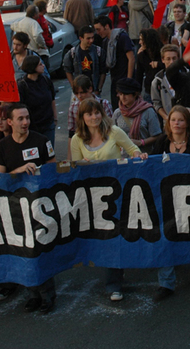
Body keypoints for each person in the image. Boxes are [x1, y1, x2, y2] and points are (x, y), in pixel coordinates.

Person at [70, 98, 146, 302]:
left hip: (118, 193)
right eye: (89, 114)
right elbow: (74, 167)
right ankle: (118, 271)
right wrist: (80, 164)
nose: (94, 117)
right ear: (82, 118)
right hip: (93, 198)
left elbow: (132, 150)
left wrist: (139, 155)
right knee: (104, 237)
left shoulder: (114, 132)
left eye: (97, 113)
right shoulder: (76, 139)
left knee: (115, 236)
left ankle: (114, 284)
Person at [0, 103, 57, 312]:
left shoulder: (41, 141)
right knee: (22, 251)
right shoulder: (2, 146)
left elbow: (53, 170)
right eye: (20, 119)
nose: (25, 122)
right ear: (10, 122)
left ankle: (48, 296)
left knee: (40, 252)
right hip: (15, 207)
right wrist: (19, 171)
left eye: (27, 117)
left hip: (39, 205)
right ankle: (32, 294)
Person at [152, 106, 190, 300]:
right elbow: (151, 166)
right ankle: (166, 284)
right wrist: (144, 157)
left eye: (180, 120)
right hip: (166, 198)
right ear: (168, 123)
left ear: (187, 123)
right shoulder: (161, 142)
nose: (176, 123)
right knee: (164, 238)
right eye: (173, 120)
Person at [112, 78, 162, 153]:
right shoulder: (117, 113)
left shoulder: (148, 111)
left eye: (126, 94)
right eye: (121, 94)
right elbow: (112, 135)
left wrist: (141, 142)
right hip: (124, 157)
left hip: (144, 155)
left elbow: (157, 135)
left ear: (135, 94)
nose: (123, 97)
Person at [95, 16, 135, 105]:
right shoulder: (106, 42)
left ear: (106, 26)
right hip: (115, 80)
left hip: (124, 78)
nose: (98, 32)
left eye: (99, 29)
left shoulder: (122, 37)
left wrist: (129, 79)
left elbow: (131, 58)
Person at [18, 55, 57, 145]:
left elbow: (52, 100)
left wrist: (55, 119)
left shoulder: (46, 80)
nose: (43, 66)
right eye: (40, 64)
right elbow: (20, 107)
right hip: (33, 127)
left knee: (49, 153)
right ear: (33, 67)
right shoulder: (23, 85)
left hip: (48, 125)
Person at [64, 25, 103, 93]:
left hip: (94, 89)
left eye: (92, 38)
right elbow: (68, 70)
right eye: (88, 38)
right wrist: (74, 87)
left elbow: (103, 71)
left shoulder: (98, 51)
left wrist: (98, 89)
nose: (91, 41)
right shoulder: (73, 53)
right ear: (81, 38)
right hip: (79, 90)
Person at [11, 5, 50, 69]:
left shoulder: (20, 23)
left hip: (25, 52)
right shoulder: (34, 23)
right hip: (37, 52)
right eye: (37, 13)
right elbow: (37, 36)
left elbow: (12, 26)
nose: (39, 14)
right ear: (34, 14)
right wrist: (42, 45)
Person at [151, 45, 180, 122]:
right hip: (168, 122)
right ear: (163, 60)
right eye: (168, 59)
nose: (172, 62)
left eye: (174, 58)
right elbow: (157, 103)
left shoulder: (188, 76)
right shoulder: (157, 81)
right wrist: (166, 118)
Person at [135, 28, 164, 98]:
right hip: (149, 90)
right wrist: (137, 92)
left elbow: (170, 66)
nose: (139, 42)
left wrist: (159, 64)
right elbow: (139, 74)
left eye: (141, 40)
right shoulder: (142, 55)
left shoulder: (163, 52)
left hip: (163, 89)